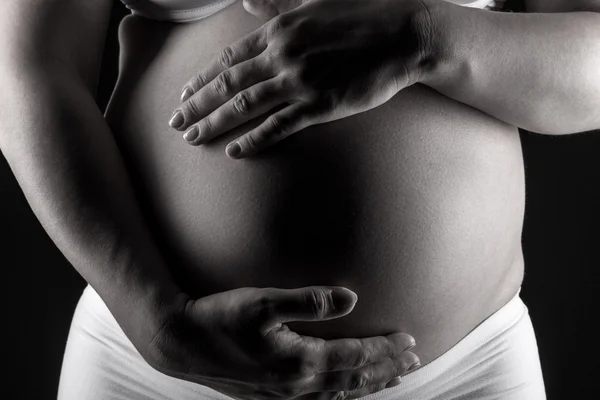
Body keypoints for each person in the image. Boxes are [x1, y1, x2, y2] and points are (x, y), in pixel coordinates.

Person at [2, 0, 599, 398]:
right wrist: (152, 322)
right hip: (149, 368)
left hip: (460, 374)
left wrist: (421, 38)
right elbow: (27, 68)